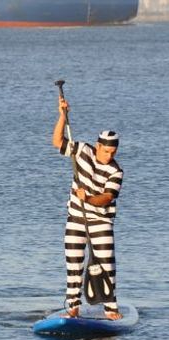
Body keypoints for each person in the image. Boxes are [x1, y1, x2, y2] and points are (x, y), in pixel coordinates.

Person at [52, 96, 123, 320]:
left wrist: (88, 198)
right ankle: (73, 307)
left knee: (106, 265)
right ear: (98, 146)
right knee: (74, 264)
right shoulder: (82, 150)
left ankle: (110, 309)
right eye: (105, 152)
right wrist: (62, 115)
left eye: (113, 153)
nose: (109, 156)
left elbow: (106, 198)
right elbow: (57, 141)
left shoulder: (116, 172)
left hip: (101, 220)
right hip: (76, 217)